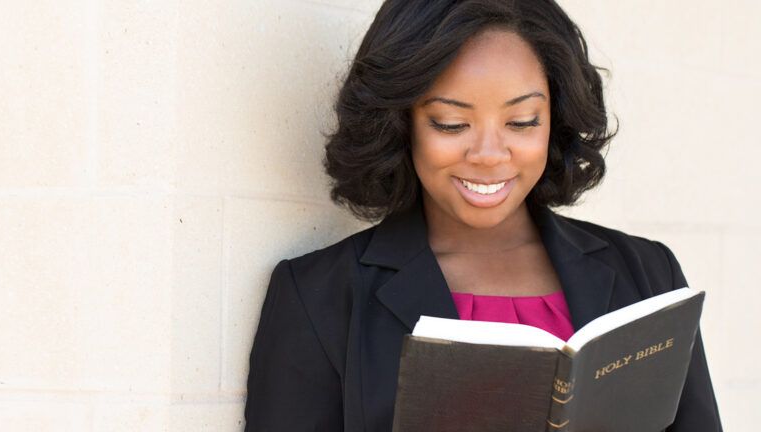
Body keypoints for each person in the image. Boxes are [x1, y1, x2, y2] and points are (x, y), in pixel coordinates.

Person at [244, 0, 723, 431]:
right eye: (451, 123)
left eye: (522, 122)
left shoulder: (648, 273)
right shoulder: (318, 296)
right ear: (400, 120)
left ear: (556, 117)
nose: (490, 154)